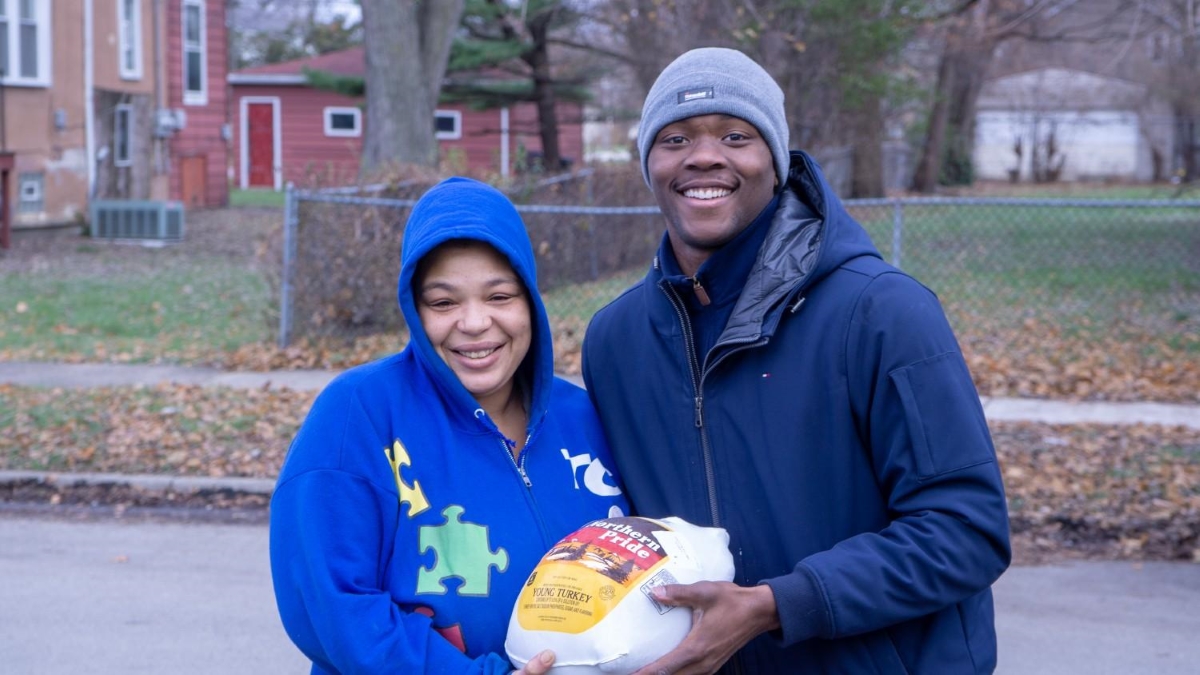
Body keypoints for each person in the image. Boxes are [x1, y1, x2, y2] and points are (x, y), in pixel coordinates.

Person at [581, 47, 1011, 674]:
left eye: (735, 135)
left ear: (776, 161)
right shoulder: (615, 341)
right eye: (674, 138)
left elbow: (966, 530)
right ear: (648, 163)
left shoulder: (882, 312)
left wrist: (778, 604)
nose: (704, 155)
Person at [270, 176, 628, 674]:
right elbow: (334, 605)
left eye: (500, 296)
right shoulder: (360, 415)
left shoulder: (584, 420)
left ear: (530, 301)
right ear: (414, 312)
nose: (475, 322)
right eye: (443, 302)